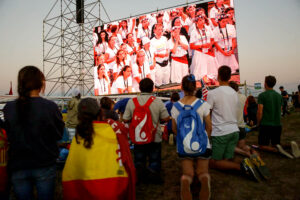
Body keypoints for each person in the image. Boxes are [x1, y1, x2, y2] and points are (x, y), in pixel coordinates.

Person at [3, 66, 64, 200]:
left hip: (18, 165)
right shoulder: (50, 107)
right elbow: (59, 134)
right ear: (40, 83)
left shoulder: (9, 108)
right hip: (45, 164)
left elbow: (9, 135)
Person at [62, 98, 135, 200]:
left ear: (79, 116)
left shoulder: (79, 135)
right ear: (99, 111)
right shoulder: (114, 128)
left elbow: (72, 170)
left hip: (85, 189)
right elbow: (126, 158)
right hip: (113, 187)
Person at [207, 66, 260, 181]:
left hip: (221, 133)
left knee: (212, 162)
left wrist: (208, 131)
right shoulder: (235, 94)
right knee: (227, 159)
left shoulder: (213, 93)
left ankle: (242, 167)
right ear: (230, 77)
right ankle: (250, 162)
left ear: (218, 76)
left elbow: (207, 114)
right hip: (234, 131)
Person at [171, 75, 212, 200]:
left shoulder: (175, 106)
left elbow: (174, 129)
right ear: (195, 87)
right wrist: (206, 139)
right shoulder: (203, 104)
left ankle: (185, 180)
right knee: (203, 172)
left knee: (187, 173)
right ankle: (204, 180)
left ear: (182, 88)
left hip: (184, 145)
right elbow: (209, 127)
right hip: (202, 144)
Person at [123, 78, 170, 184]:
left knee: (139, 159)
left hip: (138, 136)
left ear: (139, 88)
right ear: (152, 88)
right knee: (154, 158)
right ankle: (153, 178)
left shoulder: (132, 102)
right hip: (155, 136)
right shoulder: (157, 101)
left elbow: (125, 119)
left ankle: (140, 178)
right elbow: (166, 118)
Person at [257, 76, 296, 158]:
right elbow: (281, 109)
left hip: (266, 124)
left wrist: (258, 123)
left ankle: (277, 151)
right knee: (276, 144)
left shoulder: (262, 95)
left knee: (262, 146)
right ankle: (289, 145)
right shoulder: (279, 96)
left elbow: (260, 111)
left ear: (265, 83)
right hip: (277, 124)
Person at [190, 16, 219, 81]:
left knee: (212, 68)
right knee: (201, 73)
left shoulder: (208, 28)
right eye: (200, 20)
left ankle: (211, 78)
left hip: (208, 51)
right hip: (199, 52)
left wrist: (210, 45)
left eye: (203, 20)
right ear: (196, 22)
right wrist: (202, 46)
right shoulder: (194, 32)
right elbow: (191, 46)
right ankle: (205, 78)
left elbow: (212, 39)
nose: (202, 21)